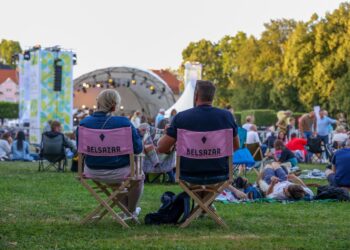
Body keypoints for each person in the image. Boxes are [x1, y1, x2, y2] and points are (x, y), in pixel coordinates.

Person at [158, 80, 240, 184]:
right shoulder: (227, 116)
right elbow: (236, 146)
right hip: (220, 173)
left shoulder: (181, 118)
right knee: (206, 195)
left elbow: (161, 148)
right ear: (212, 96)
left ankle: (200, 200)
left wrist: (166, 133)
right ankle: (205, 201)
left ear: (196, 95)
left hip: (188, 173)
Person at [78, 89, 143, 216]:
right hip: (120, 171)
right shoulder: (124, 123)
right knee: (138, 176)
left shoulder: (84, 123)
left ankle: (127, 211)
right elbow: (138, 149)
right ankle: (131, 210)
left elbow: (80, 149)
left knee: (116, 182)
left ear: (98, 104)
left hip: (92, 171)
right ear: (114, 107)